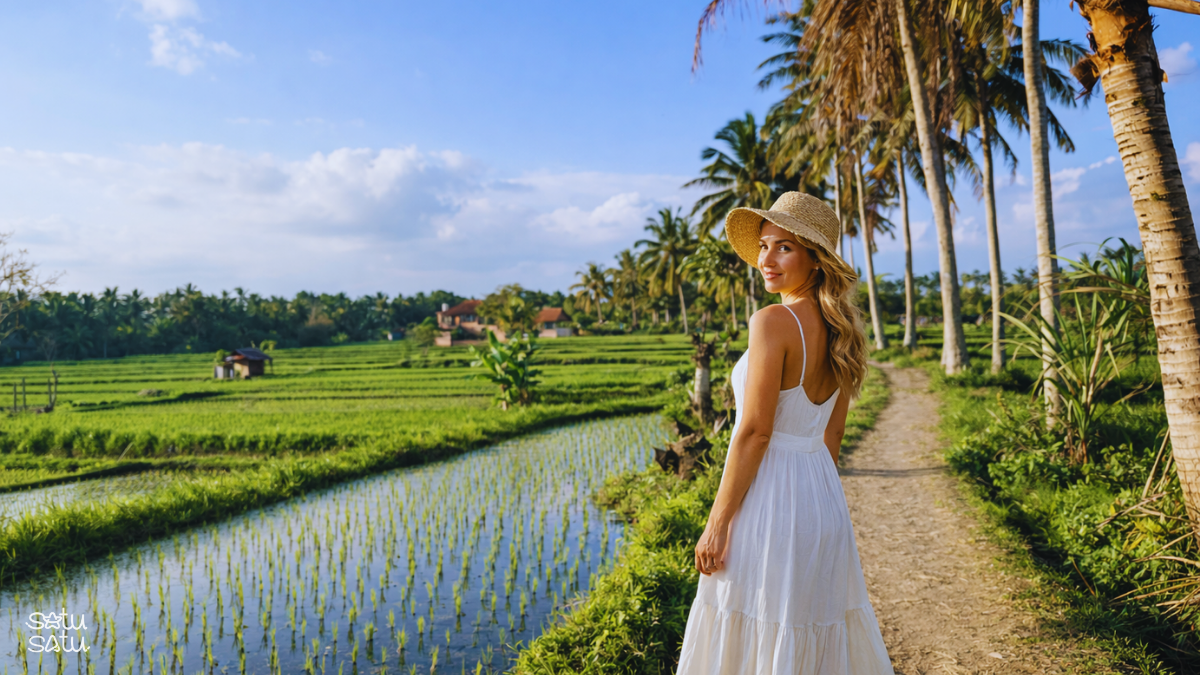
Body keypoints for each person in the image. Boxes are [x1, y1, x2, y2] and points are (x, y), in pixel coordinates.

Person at [677, 192, 893, 674]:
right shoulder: (843, 332)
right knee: (807, 624)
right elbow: (830, 439)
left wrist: (717, 524)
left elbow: (754, 432)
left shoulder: (772, 321)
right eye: (765, 245)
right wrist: (812, 506)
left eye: (784, 248)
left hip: (769, 501)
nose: (766, 260)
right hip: (819, 498)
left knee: (754, 624)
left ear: (816, 261)